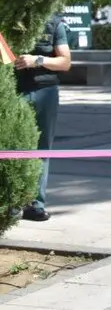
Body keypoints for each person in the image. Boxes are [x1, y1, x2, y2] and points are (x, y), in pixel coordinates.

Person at [13, 13, 73, 222]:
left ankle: (35, 204)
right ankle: (12, 202)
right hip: (15, 89)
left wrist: (37, 60)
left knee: (42, 147)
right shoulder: (10, 14)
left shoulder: (54, 23)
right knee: (13, 146)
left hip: (45, 91)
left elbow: (65, 62)